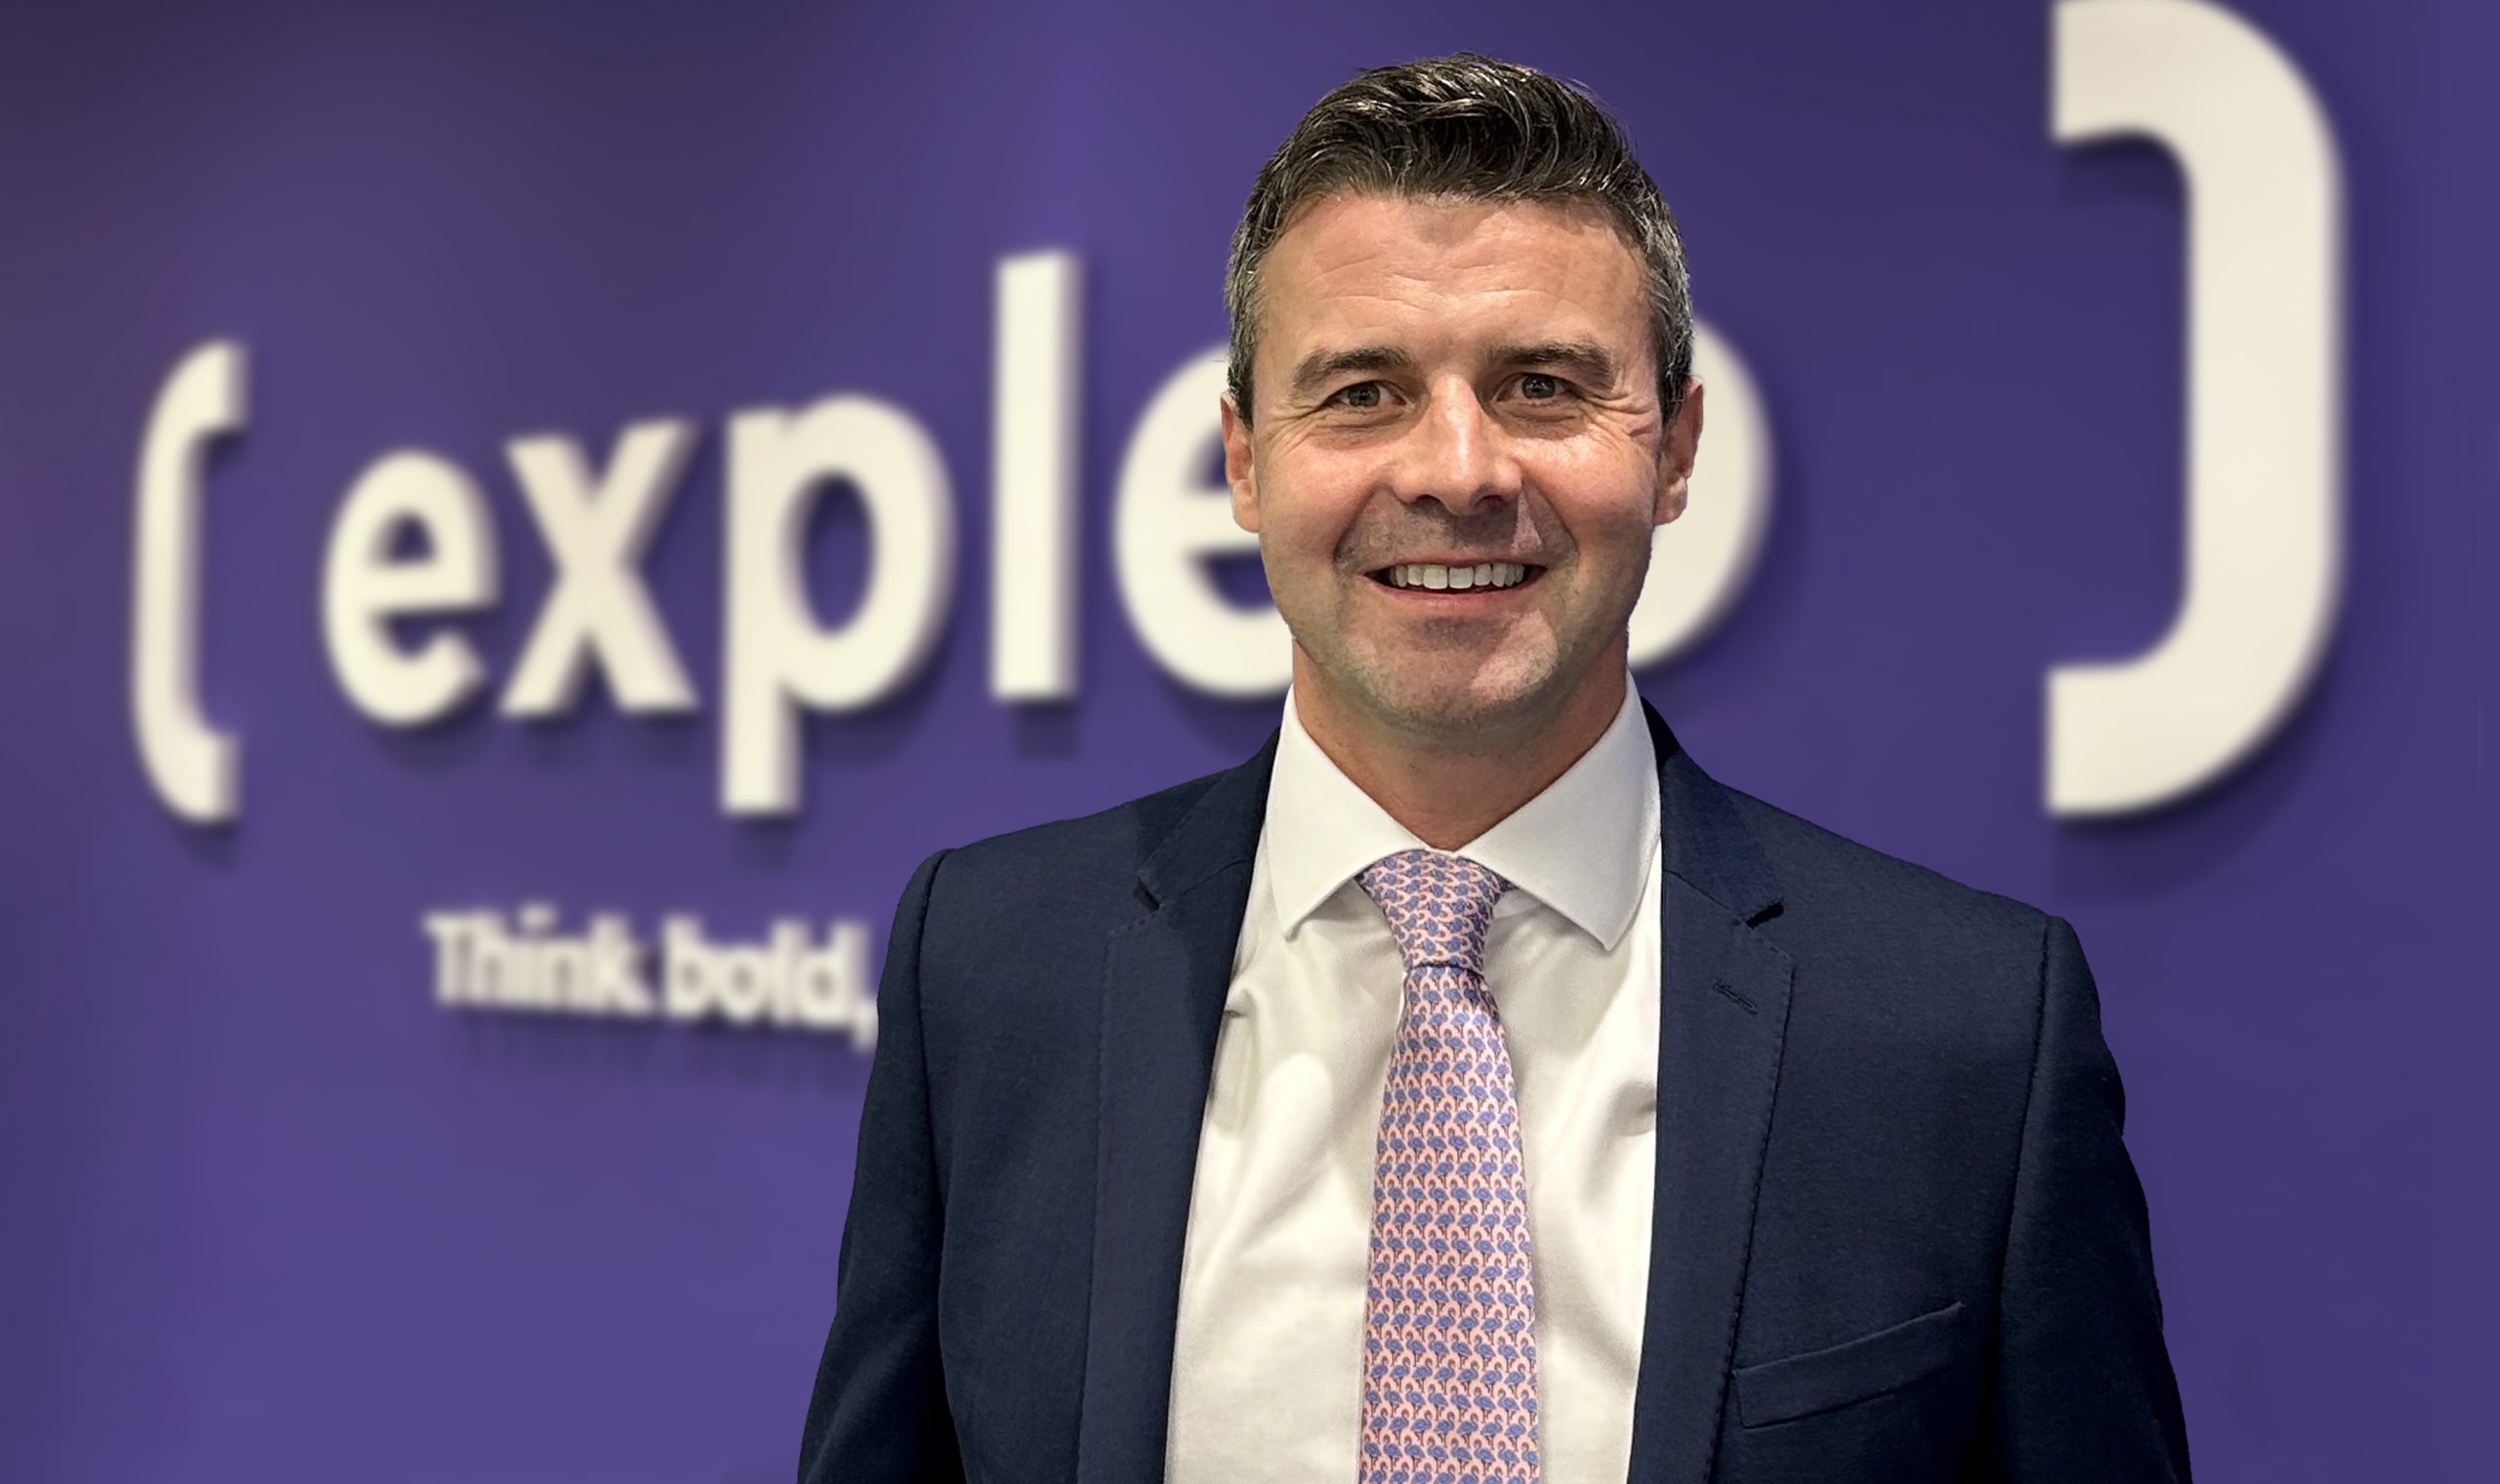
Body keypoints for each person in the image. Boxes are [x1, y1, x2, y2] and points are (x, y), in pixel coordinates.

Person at [798, 53, 2190, 1484]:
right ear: (1243, 460)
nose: (1457, 469)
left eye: (1542, 385)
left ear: (1675, 447)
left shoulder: (1966, 1033)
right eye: (1359, 392)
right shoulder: (988, 962)